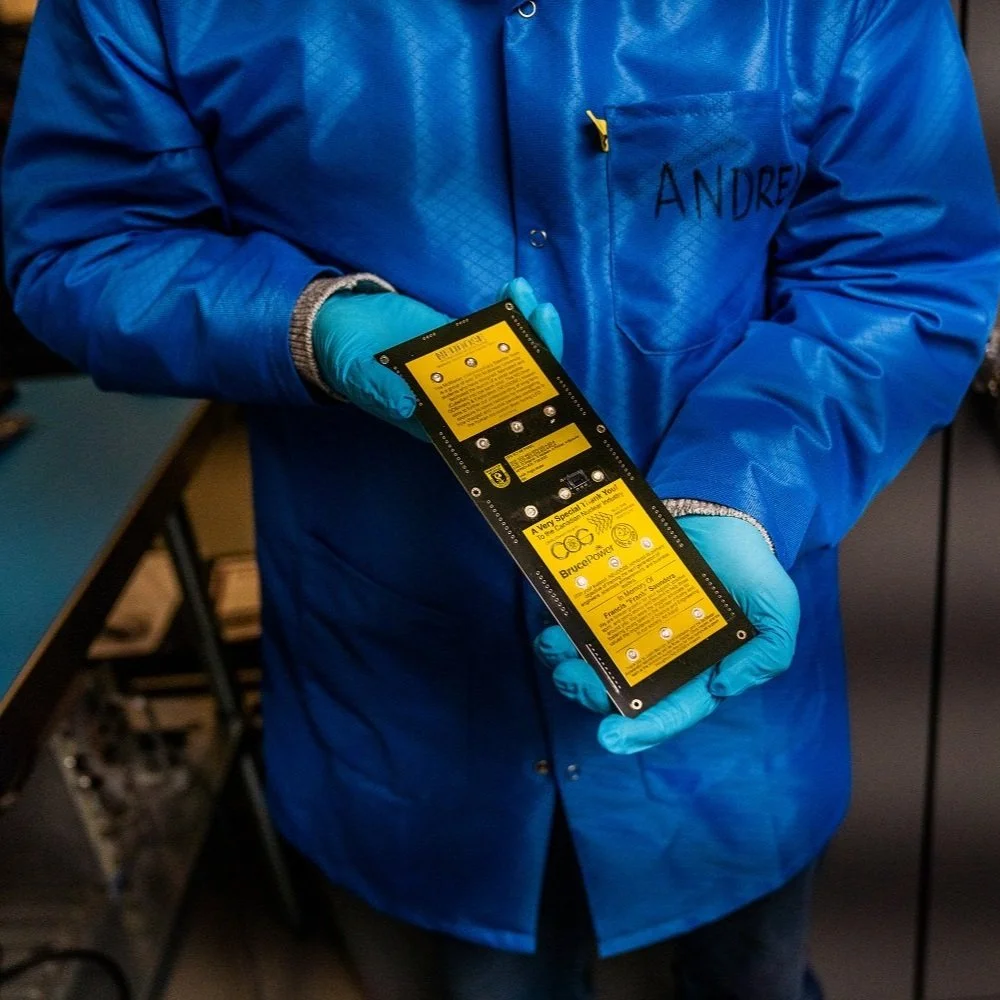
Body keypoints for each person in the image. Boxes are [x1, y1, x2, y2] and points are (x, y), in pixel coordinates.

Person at [4, 1, 999, 997]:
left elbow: (897, 269)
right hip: (403, 691)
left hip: (725, 706)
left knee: (750, 972)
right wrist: (316, 325)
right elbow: (84, 241)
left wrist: (743, 491)